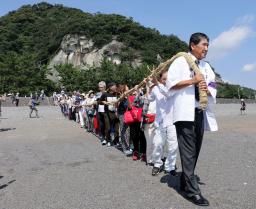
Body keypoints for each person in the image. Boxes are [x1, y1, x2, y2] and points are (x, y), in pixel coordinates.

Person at [166, 33, 218, 206]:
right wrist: (193, 81)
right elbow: (170, 83)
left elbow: (213, 83)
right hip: (184, 113)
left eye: (208, 45)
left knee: (195, 150)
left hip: (199, 111)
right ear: (192, 45)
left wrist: (207, 88)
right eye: (204, 44)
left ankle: (184, 180)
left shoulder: (205, 65)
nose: (206, 48)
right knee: (188, 151)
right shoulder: (180, 61)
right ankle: (192, 190)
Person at [148, 71, 178, 177]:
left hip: (172, 121)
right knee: (157, 144)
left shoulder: (173, 88)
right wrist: (149, 86)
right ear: (161, 79)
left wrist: (157, 83)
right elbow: (150, 98)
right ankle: (157, 163)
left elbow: (167, 93)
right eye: (164, 79)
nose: (166, 81)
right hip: (160, 121)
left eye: (167, 79)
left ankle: (170, 166)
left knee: (173, 146)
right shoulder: (156, 88)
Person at [99, 82, 119, 147]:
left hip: (115, 112)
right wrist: (105, 102)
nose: (116, 87)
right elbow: (99, 101)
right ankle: (108, 140)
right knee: (108, 128)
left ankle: (116, 141)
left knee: (116, 128)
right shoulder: (105, 94)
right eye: (114, 86)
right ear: (110, 87)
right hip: (107, 113)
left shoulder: (116, 94)